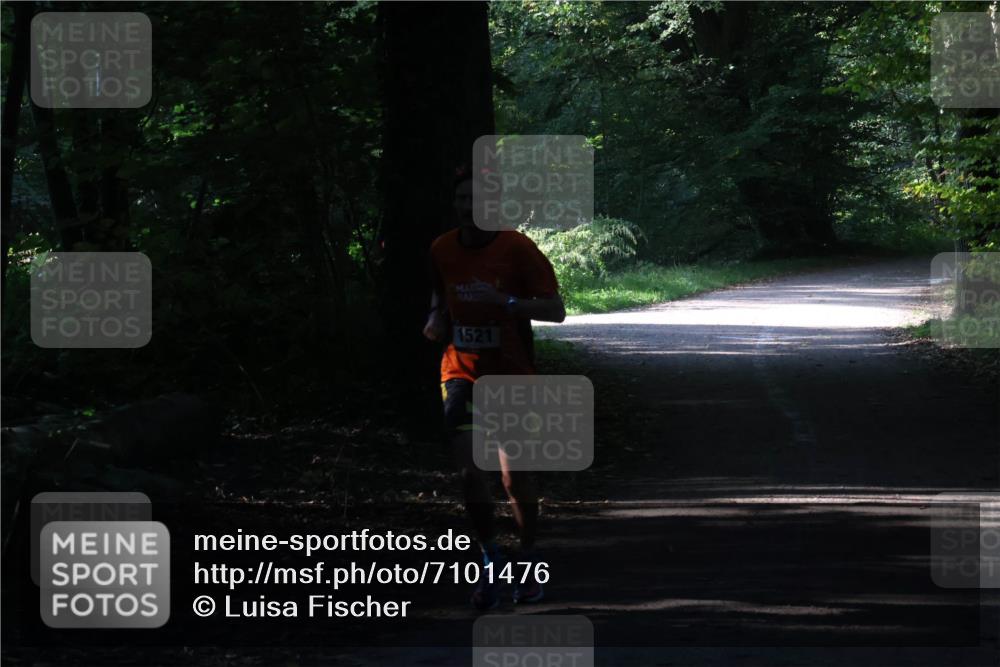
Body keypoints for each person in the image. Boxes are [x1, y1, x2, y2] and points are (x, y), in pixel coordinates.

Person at [423, 167, 566, 610]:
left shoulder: (516, 247)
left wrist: (504, 302)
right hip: (460, 373)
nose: (469, 207)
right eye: (462, 199)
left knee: (512, 478)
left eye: (477, 199)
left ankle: (526, 558)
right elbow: (439, 293)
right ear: (456, 205)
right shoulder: (442, 248)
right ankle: (489, 561)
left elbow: (556, 311)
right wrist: (436, 318)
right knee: (470, 472)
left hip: (511, 377)